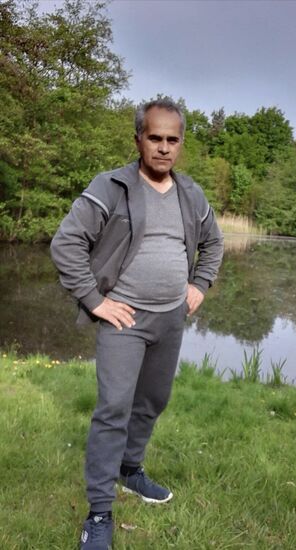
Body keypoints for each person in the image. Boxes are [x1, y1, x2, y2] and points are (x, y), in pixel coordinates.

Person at [50, 98, 224, 550]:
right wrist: (95, 301)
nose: (164, 147)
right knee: (113, 409)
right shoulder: (111, 187)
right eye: (155, 137)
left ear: (181, 144)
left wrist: (199, 284)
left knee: (152, 401)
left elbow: (213, 243)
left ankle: (130, 470)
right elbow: (66, 244)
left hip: (171, 317)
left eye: (172, 139)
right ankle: (99, 513)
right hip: (124, 319)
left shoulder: (191, 194)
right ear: (138, 140)